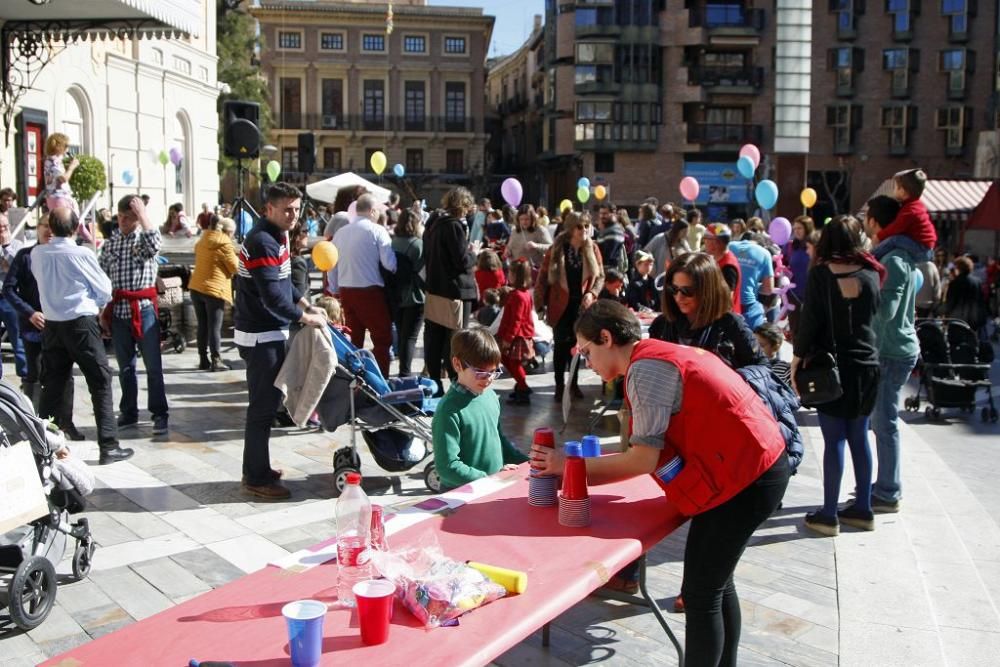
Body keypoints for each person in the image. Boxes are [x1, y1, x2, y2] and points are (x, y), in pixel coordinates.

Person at [531, 300, 789, 667]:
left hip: (747, 478)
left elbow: (642, 460)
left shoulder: (647, 370)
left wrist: (566, 467)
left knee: (701, 594)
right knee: (715, 585)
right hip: (757, 468)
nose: (588, 363)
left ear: (606, 337)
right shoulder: (658, 354)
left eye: (587, 352)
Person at [235, 182, 328, 500]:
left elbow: (285, 284)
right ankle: (256, 476)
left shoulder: (277, 235)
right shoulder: (262, 240)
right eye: (286, 209)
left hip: (268, 331)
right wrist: (305, 318)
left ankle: (258, 467)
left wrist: (305, 305)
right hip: (259, 334)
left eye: (296, 207)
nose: (293, 214)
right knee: (262, 408)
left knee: (267, 405)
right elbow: (273, 297)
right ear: (268, 209)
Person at [792, 215, 883, 536]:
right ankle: (863, 509)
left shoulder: (820, 275)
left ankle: (829, 513)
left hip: (831, 366)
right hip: (867, 365)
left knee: (834, 442)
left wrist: (797, 360)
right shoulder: (872, 273)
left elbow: (809, 323)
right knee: (860, 436)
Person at [31, 208, 133, 464]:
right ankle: (108, 445)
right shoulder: (80, 253)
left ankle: (43, 446)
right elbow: (104, 289)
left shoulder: (38, 253)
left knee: (52, 387)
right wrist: (93, 303)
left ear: (51, 228)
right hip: (79, 323)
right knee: (100, 381)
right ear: (76, 228)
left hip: (53, 325)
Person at [862, 197, 922, 516]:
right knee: (880, 421)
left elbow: (888, 311)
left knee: (884, 422)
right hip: (889, 348)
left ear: (875, 222)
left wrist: (858, 304)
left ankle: (888, 491)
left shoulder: (895, 260)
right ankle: (885, 483)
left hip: (891, 351)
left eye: (867, 219)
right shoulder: (892, 257)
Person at [3, 214, 80, 439]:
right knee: (33, 376)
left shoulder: (63, 256)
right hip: (33, 327)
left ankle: (65, 424)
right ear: (37, 228)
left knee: (65, 375)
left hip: (61, 326)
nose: (48, 231)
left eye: (51, 227)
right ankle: (33, 426)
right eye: (44, 226)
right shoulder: (25, 256)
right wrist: (30, 313)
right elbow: (9, 289)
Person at [99, 195, 170, 435]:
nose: (122, 222)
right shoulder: (111, 243)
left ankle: (159, 413)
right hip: (119, 310)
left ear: (137, 220)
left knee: (153, 366)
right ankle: (129, 411)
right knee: (125, 366)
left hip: (144, 310)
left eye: (128, 218)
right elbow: (103, 276)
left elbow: (154, 244)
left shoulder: (143, 238)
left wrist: (143, 216)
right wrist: (102, 311)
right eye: (120, 217)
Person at [431, 328, 529, 490]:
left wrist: (525, 461)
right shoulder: (448, 411)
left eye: (493, 372)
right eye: (480, 372)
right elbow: (447, 467)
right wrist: (489, 478)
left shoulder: (490, 396)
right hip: (461, 496)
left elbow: (498, 439)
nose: (488, 379)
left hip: (490, 486)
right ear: (457, 364)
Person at [649, 252, 765, 370]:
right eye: (673, 289)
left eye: (687, 291)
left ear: (707, 291)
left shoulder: (731, 325)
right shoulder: (661, 325)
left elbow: (762, 367)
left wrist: (729, 378)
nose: (679, 297)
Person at [535, 211, 604, 401]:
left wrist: (592, 293)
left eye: (586, 226)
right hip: (560, 304)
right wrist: (539, 303)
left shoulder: (592, 248)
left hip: (582, 306)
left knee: (577, 348)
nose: (584, 230)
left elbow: (600, 277)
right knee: (560, 348)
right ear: (571, 228)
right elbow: (542, 277)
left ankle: (573, 384)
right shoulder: (557, 249)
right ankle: (559, 385)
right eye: (580, 226)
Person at [331, 193, 397, 376]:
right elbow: (390, 264)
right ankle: (381, 380)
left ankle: (354, 381)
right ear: (373, 211)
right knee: (382, 339)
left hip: (346, 291)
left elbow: (331, 264)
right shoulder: (377, 231)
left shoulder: (340, 233)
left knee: (353, 342)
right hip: (370, 292)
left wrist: (335, 288)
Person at [423, 187, 479, 396]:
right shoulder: (453, 226)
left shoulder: (432, 224)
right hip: (453, 291)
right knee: (454, 340)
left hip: (434, 288)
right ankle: (456, 383)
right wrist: (474, 252)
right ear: (463, 206)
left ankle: (435, 382)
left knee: (433, 338)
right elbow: (461, 261)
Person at [190, 215, 239, 371]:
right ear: (228, 231)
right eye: (233, 234)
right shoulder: (224, 244)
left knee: (202, 326)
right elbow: (236, 267)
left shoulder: (203, 240)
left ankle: (203, 360)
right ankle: (216, 361)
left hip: (196, 286)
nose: (233, 237)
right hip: (214, 289)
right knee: (214, 327)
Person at [388, 209, 425, 378]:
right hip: (415, 296)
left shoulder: (393, 242)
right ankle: (405, 372)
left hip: (396, 295)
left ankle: (403, 371)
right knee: (410, 337)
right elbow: (423, 272)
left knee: (402, 334)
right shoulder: (418, 244)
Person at [874, 168, 937, 262]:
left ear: (902, 191)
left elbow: (896, 227)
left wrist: (879, 236)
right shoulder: (915, 206)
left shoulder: (910, 210)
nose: (893, 190)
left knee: (895, 239)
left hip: (921, 249)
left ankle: (872, 256)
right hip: (925, 248)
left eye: (895, 187)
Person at [497, 259, 536, 405]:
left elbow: (516, 320)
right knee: (507, 360)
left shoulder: (519, 296)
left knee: (514, 363)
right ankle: (520, 386)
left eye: (511, 273)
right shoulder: (520, 294)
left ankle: (523, 387)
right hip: (516, 335)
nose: (508, 275)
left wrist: (508, 338)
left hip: (518, 336)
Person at [729, 234, 774, 332]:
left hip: (724, 301)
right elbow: (768, 289)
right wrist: (755, 287)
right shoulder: (765, 253)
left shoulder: (730, 245)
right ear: (762, 245)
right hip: (746, 305)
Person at [0, 212, 27, 379]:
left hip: (10, 298)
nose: (2, 231)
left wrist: (6, 247)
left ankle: (26, 376)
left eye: (5, 227)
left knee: (17, 339)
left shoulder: (17, 246)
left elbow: (16, 268)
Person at [783, 216, 814, 337]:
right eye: (794, 228)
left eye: (799, 228)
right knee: (795, 332)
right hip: (793, 296)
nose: (796, 231)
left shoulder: (816, 246)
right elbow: (781, 266)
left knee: (811, 334)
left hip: (812, 295)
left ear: (808, 229)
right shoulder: (790, 246)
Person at [701, 223, 742, 312]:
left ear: (715, 242)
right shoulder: (719, 260)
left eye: (706, 238)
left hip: (724, 321)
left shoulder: (728, 267)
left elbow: (726, 301)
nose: (704, 242)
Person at [944, 255, 989, 335]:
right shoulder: (977, 282)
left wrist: (946, 318)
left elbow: (950, 302)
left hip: (957, 320)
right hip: (973, 320)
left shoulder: (955, 283)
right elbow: (981, 300)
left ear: (958, 268)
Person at [505, 204, 552, 268]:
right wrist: (508, 251)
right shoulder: (515, 231)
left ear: (532, 219)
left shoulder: (540, 230)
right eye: (521, 219)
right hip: (516, 268)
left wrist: (536, 245)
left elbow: (551, 248)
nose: (524, 222)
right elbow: (509, 246)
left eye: (527, 219)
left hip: (533, 269)